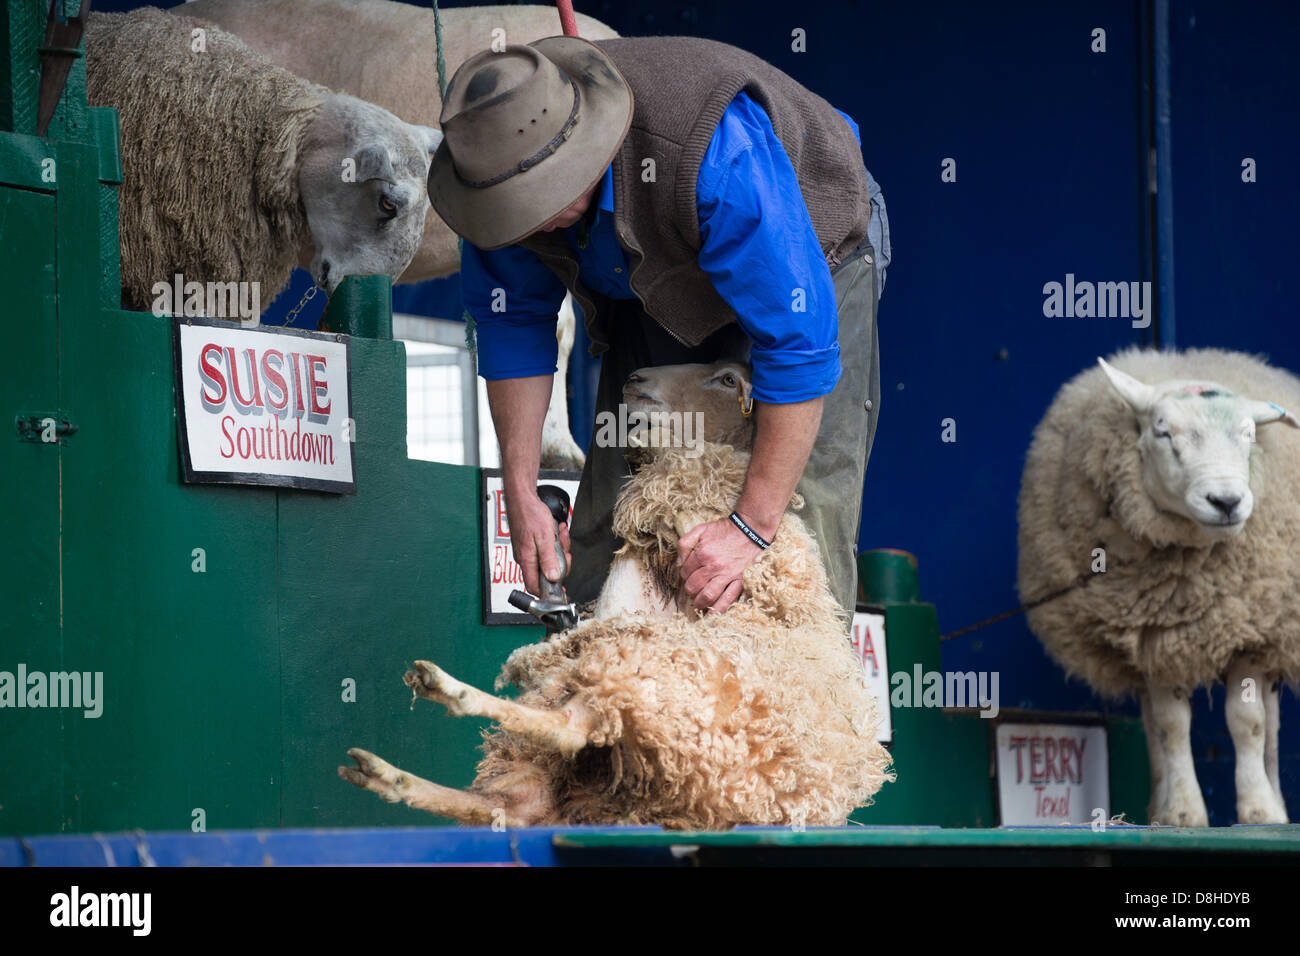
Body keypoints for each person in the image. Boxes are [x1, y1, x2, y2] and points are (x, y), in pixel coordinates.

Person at [428, 35, 891, 622]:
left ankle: (794, 694)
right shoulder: (494, 189)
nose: (533, 219)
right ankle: (609, 681)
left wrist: (749, 527)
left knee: (797, 525)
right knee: (621, 498)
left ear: (586, 150)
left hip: (810, 244)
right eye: (517, 206)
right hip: (647, 264)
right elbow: (513, 323)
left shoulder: (713, 154)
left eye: (543, 195)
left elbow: (798, 348)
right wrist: (519, 488)